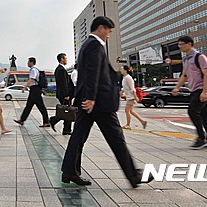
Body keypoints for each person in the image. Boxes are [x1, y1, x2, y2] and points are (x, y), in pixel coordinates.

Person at [61, 16, 153, 188]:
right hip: (98, 102)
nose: (109, 35)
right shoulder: (95, 45)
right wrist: (92, 98)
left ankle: (69, 171)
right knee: (116, 138)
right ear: (101, 28)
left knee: (78, 137)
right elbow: (92, 73)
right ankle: (133, 176)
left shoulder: (86, 45)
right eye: (109, 32)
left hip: (89, 101)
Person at [172, 35, 207, 149]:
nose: (180, 47)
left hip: (201, 89)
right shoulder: (186, 59)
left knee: (192, 111)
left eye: (182, 44)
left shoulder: (200, 57)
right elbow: (184, 75)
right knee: (205, 115)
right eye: (179, 44)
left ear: (189, 44)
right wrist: (177, 87)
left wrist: (205, 91)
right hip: (193, 90)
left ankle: (201, 138)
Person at [14, 57, 50, 127]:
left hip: (35, 89)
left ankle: (46, 121)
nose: (27, 63)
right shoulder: (35, 69)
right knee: (29, 106)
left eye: (28, 62)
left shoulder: (33, 70)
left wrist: (25, 87)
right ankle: (22, 120)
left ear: (31, 62)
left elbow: (31, 79)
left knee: (40, 106)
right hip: (34, 89)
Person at [49, 53, 74, 135]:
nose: (66, 60)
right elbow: (64, 84)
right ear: (62, 59)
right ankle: (53, 120)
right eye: (65, 58)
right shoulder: (61, 70)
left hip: (62, 94)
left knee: (66, 111)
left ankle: (66, 129)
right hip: (64, 95)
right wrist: (66, 95)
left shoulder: (59, 69)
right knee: (67, 111)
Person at [121, 65, 147, 130]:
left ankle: (128, 125)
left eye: (122, 69)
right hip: (129, 97)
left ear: (125, 70)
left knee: (127, 110)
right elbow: (125, 87)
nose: (120, 70)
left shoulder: (128, 78)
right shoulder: (125, 78)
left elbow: (132, 89)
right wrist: (121, 92)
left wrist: (135, 97)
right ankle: (142, 122)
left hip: (131, 97)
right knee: (131, 111)